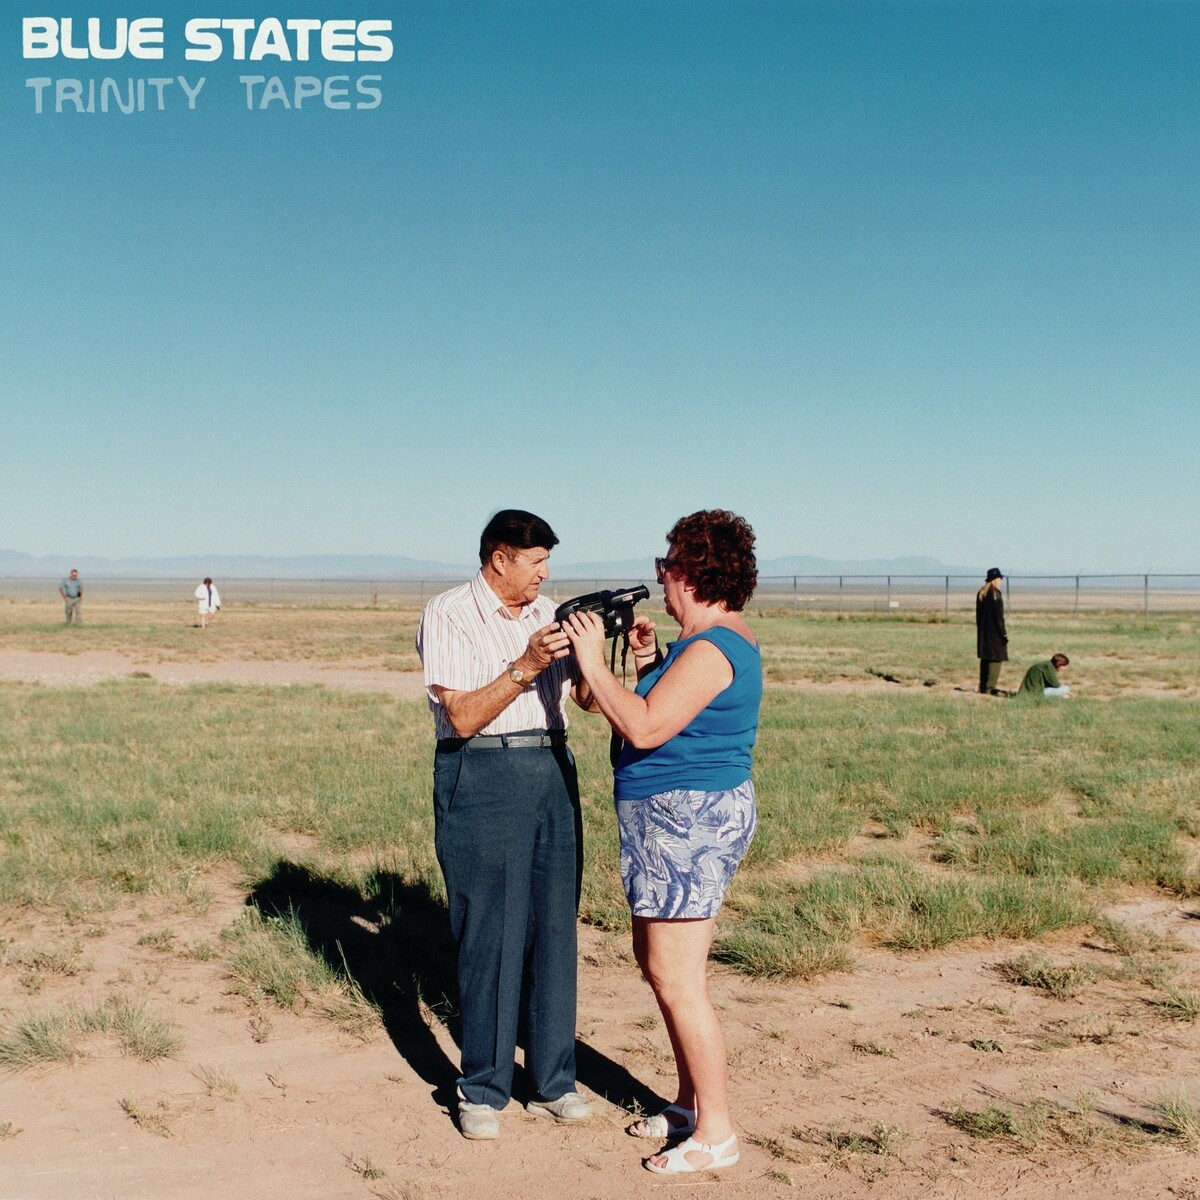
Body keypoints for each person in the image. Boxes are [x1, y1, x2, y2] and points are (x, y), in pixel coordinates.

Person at [561, 509, 761, 1175]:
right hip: (667, 825)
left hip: (688, 825)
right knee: (657, 964)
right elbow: (621, 707)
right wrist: (644, 662)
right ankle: (689, 1104)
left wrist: (594, 658)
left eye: (666, 565)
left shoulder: (712, 649)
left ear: (691, 573)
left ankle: (718, 1133)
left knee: (679, 977)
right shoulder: (691, 647)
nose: (661, 578)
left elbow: (645, 727)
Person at [415, 510, 596, 1141]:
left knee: (554, 925)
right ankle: (483, 1089)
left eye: (547, 561)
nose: (545, 573)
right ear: (500, 559)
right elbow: (462, 716)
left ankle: (553, 1082)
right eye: (536, 561)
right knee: (489, 929)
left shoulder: (548, 614)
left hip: (552, 768)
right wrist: (525, 664)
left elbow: (585, 701)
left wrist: (613, 655)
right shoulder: (448, 614)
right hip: (482, 770)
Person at [976, 567, 1007, 694]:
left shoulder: (981, 594)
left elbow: (978, 616)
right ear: (996, 579)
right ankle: (991, 687)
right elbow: (999, 617)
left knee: (985, 658)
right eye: (1000, 578)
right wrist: (1003, 633)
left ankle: (983, 686)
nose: (1001, 581)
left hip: (983, 632)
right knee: (996, 658)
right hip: (995, 633)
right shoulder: (995, 595)